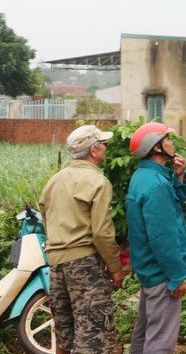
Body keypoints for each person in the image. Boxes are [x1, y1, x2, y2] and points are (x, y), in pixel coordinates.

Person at [38, 124, 125, 354]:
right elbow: (102, 233)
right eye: (103, 144)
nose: (106, 148)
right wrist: (115, 268)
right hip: (86, 265)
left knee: (64, 335)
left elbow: (46, 220)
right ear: (93, 150)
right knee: (94, 338)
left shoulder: (53, 182)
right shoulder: (98, 182)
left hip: (56, 266)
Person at [126, 121, 186, 354]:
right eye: (167, 139)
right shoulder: (156, 185)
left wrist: (178, 175)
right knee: (161, 343)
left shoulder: (144, 176)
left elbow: (169, 207)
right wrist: (177, 276)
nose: (171, 143)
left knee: (144, 333)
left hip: (149, 270)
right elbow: (163, 237)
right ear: (155, 147)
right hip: (162, 275)